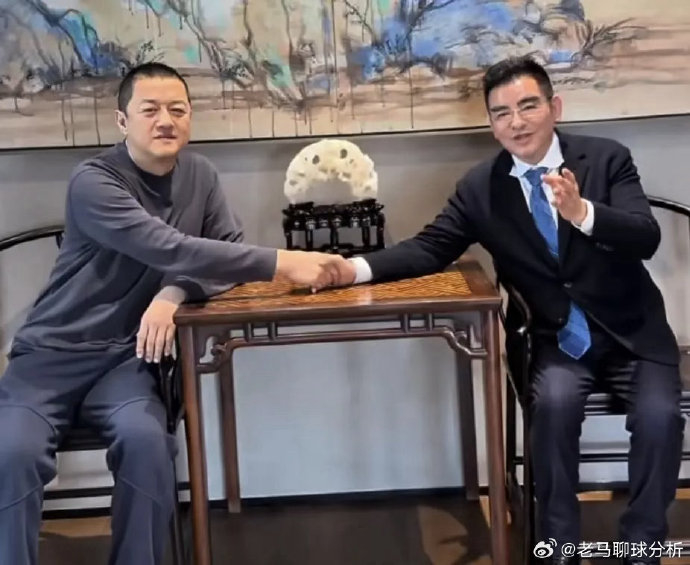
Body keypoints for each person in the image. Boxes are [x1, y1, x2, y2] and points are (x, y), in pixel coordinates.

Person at [325, 56, 683, 565]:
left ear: (555, 108)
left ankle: (640, 545)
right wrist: (352, 269)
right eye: (501, 113)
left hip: (633, 333)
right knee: (553, 410)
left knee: (660, 418)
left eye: (528, 106)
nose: (517, 122)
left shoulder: (606, 159)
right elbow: (430, 248)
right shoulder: (481, 188)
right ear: (492, 125)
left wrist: (581, 213)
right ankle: (558, 547)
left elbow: (645, 237)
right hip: (558, 341)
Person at [0, 62, 348, 565]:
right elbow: (166, 245)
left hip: (128, 359)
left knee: (146, 444)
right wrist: (282, 262)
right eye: (150, 110)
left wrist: (173, 293)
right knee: (11, 453)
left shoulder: (200, 175)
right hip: (49, 357)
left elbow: (224, 254)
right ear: (122, 121)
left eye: (177, 109)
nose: (165, 120)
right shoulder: (93, 181)